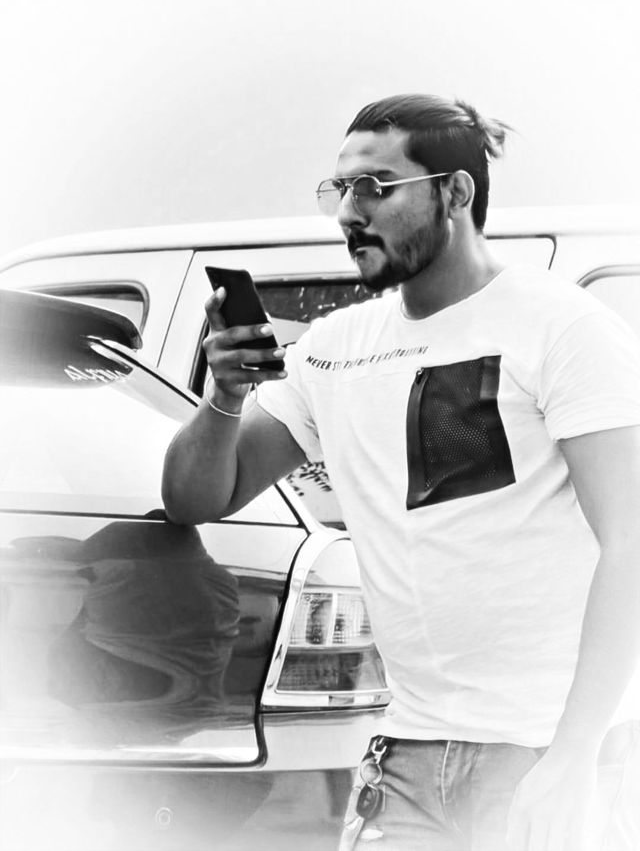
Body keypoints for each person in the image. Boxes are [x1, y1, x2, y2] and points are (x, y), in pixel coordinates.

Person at [162, 94, 640, 850]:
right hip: (408, 753)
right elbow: (196, 497)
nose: (350, 212)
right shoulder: (334, 348)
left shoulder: (562, 328)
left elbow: (631, 541)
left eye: (376, 187)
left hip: (545, 748)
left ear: (456, 193)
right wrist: (224, 395)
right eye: (339, 189)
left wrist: (576, 751)